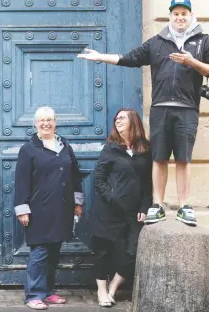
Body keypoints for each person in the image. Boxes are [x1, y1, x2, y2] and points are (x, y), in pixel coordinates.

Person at [78, 0, 209, 227]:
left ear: (190, 16)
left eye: (184, 14)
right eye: (175, 14)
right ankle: (157, 205)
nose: (179, 18)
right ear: (170, 16)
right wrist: (100, 57)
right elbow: (129, 59)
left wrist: (192, 63)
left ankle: (184, 206)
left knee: (183, 160)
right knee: (158, 158)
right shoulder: (157, 42)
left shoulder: (203, 41)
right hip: (160, 108)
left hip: (187, 109)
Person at [14, 106, 85, 310]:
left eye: (50, 120)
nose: (46, 123)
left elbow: (75, 176)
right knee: (40, 252)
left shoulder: (65, 146)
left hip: (61, 210)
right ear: (35, 124)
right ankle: (34, 295)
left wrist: (77, 202)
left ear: (55, 122)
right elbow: (21, 182)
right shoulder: (28, 149)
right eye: (42, 120)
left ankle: (48, 292)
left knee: (54, 253)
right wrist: (23, 209)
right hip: (39, 211)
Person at [89, 108, 152, 307]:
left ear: (134, 121)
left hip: (133, 212)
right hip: (108, 210)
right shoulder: (111, 148)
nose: (118, 120)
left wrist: (144, 205)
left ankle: (113, 289)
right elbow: (98, 179)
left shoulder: (145, 149)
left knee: (132, 252)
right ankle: (101, 291)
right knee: (102, 251)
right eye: (116, 118)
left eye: (122, 117)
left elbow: (148, 183)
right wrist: (112, 197)